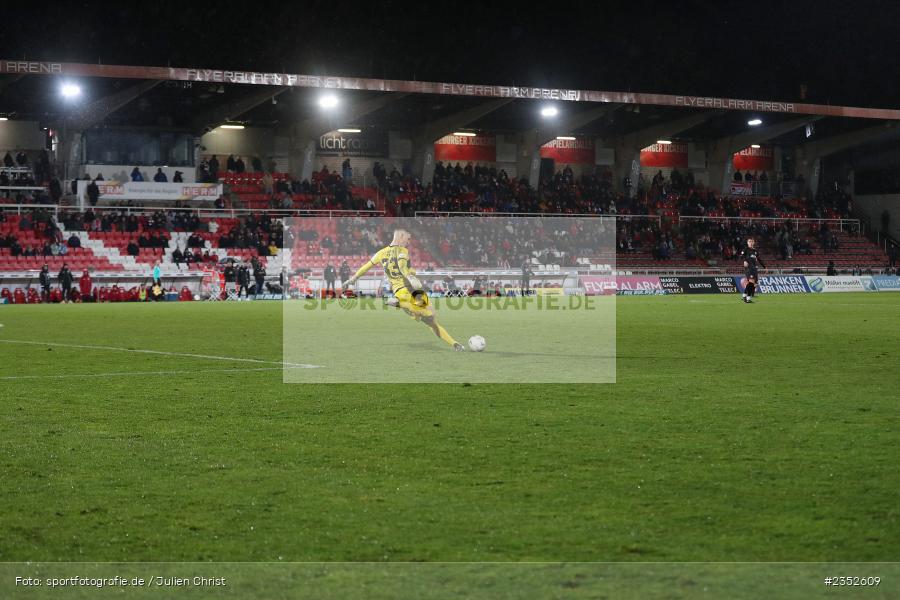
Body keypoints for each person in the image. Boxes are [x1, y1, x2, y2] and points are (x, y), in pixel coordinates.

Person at [343, 229, 465, 351]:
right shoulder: (402, 251)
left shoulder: (380, 253)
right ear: (400, 237)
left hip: (400, 291)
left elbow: (365, 267)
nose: (408, 242)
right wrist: (410, 276)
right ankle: (400, 304)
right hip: (409, 290)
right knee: (429, 316)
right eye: (407, 239)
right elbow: (402, 267)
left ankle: (454, 344)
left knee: (431, 319)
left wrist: (353, 279)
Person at [740, 237, 766, 303]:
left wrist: (764, 267)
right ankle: (748, 299)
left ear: (753, 242)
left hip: (754, 268)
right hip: (748, 268)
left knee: (752, 284)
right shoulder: (745, 249)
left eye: (752, 241)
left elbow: (759, 259)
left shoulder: (755, 251)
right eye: (749, 241)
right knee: (751, 282)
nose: (751, 243)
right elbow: (741, 256)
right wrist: (745, 261)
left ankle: (744, 296)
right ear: (747, 243)